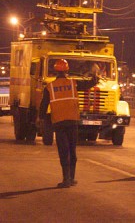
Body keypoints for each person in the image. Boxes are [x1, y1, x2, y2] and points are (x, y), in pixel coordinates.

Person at [39, 59, 99, 188]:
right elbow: (89, 84)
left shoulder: (49, 87)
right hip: (72, 121)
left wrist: (41, 119)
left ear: (55, 71)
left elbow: (43, 105)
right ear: (67, 70)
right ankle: (71, 178)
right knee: (72, 150)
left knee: (63, 151)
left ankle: (66, 179)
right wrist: (95, 75)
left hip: (59, 122)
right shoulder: (73, 83)